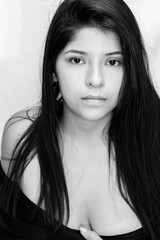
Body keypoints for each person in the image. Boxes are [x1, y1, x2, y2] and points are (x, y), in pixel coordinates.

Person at [0, 0, 160, 239]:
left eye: (113, 62)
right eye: (77, 60)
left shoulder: (154, 144)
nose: (95, 79)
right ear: (53, 70)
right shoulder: (22, 136)